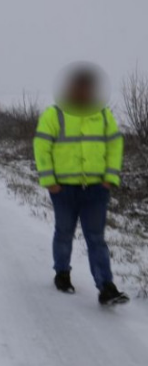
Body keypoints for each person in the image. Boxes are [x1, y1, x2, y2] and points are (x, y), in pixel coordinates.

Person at [33, 64, 128, 306]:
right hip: (63, 189)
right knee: (64, 233)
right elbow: (41, 147)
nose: (83, 92)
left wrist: (110, 176)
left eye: (87, 88)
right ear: (71, 88)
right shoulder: (55, 114)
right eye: (79, 87)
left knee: (96, 238)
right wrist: (49, 181)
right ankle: (62, 274)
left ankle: (106, 286)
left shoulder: (103, 115)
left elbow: (115, 145)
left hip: (96, 189)